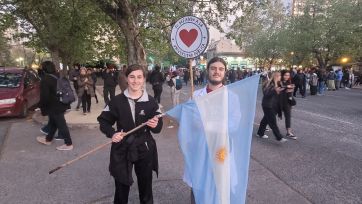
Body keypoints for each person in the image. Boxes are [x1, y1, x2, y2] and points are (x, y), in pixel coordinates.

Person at [97, 64, 163, 204]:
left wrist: (156, 125)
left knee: (146, 188)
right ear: (126, 78)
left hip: (144, 147)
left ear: (144, 79)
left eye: (139, 77)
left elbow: (158, 127)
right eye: (132, 77)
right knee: (121, 187)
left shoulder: (151, 102)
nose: (135, 81)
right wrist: (112, 133)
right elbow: (103, 121)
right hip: (122, 146)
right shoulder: (116, 101)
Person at [189, 57, 228, 204]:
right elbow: (188, 122)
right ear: (208, 71)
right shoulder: (196, 95)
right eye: (213, 68)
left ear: (225, 72)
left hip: (221, 150)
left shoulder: (231, 96)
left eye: (220, 69)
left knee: (219, 187)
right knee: (198, 186)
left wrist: (208, 124)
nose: (217, 72)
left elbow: (235, 124)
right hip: (200, 149)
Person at [37, 61, 73, 151]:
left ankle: (68, 144)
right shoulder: (58, 75)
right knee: (54, 122)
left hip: (54, 106)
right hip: (62, 103)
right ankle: (48, 139)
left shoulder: (45, 79)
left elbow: (44, 96)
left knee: (61, 124)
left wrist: (40, 106)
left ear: (44, 69)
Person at [256, 71, 287, 143]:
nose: (280, 77)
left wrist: (285, 89)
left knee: (265, 120)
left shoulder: (278, 83)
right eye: (279, 76)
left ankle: (260, 133)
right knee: (273, 122)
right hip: (267, 105)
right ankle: (279, 137)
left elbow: (279, 93)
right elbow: (266, 94)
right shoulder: (269, 83)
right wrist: (275, 90)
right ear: (276, 76)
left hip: (273, 105)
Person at [280, 71, 297, 139]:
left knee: (288, 116)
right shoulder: (279, 81)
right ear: (282, 75)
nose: (287, 77)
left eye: (288, 75)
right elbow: (280, 87)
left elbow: (290, 92)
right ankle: (263, 126)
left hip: (287, 102)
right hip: (279, 102)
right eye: (285, 75)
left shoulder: (289, 82)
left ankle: (288, 132)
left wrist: (291, 102)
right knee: (271, 115)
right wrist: (286, 88)